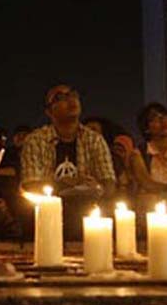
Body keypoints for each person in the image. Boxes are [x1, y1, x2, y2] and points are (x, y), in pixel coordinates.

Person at [21, 85, 116, 239]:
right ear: (49, 112)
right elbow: (30, 184)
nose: (70, 100)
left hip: (87, 205)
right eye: (60, 98)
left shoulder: (94, 139)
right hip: (48, 208)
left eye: (73, 95)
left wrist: (97, 186)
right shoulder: (36, 140)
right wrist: (66, 183)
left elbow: (109, 182)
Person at [128, 103, 167, 214]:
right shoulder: (139, 154)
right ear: (146, 128)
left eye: (166, 117)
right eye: (155, 119)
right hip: (150, 208)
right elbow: (146, 182)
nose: (163, 121)